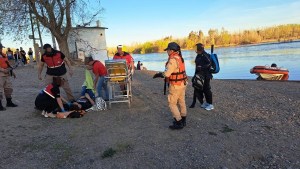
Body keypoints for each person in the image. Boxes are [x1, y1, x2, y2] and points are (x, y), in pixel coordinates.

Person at [153, 42, 188, 130]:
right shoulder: (180, 58)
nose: (166, 52)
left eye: (167, 50)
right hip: (182, 84)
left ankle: (178, 122)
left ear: (171, 50)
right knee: (182, 102)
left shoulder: (172, 60)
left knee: (172, 103)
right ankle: (183, 120)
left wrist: (159, 74)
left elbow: (167, 74)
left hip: (175, 85)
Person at [190, 43, 214, 111]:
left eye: (196, 48)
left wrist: (201, 67)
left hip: (206, 75)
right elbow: (197, 66)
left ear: (199, 48)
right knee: (201, 89)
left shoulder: (204, 55)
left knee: (207, 89)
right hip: (200, 75)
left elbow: (209, 63)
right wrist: (195, 74)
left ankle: (210, 104)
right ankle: (206, 103)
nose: (195, 49)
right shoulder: (199, 55)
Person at [0, 43, 18, 111]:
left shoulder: (3, 55)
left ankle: (9, 102)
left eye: (1, 47)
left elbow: (8, 65)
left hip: (7, 74)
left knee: (8, 88)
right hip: (1, 75)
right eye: (0, 48)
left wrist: (12, 72)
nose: (1, 49)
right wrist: (3, 70)